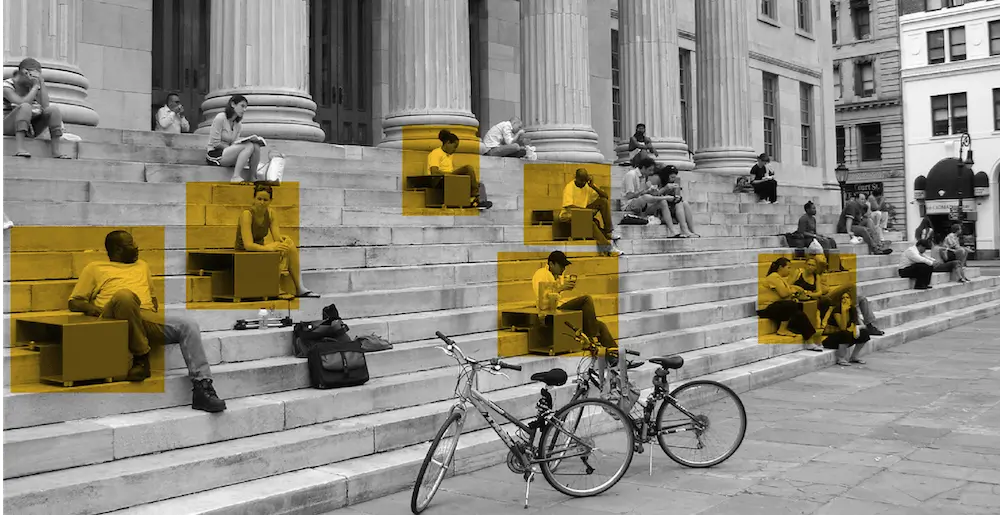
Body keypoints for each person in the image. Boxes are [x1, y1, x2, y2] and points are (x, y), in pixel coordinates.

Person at [68, 230, 227, 412]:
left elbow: (152, 299)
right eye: (131, 244)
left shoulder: (142, 265)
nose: (136, 247)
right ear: (117, 250)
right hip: (115, 317)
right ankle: (142, 358)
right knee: (125, 296)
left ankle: (203, 388)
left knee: (188, 325)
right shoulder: (94, 268)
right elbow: (74, 301)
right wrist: (94, 309)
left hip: (144, 316)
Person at [236, 183, 319, 299]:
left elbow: (277, 238)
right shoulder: (247, 214)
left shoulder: (271, 214)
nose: (261, 202)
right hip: (244, 253)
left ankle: (300, 287)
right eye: (259, 199)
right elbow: (248, 245)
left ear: (270, 201)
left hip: (260, 249)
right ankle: (275, 289)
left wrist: (284, 240)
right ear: (253, 198)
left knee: (288, 245)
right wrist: (268, 248)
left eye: (265, 200)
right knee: (276, 248)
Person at [531, 251, 615, 349]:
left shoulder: (557, 277)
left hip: (558, 312)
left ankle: (615, 353)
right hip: (548, 315)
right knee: (586, 299)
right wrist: (560, 288)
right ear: (551, 264)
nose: (563, 269)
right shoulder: (541, 274)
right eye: (561, 266)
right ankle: (591, 337)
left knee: (600, 325)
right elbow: (543, 297)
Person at [792, 257, 885, 336]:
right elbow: (789, 286)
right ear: (804, 264)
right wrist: (801, 290)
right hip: (820, 300)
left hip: (823, 297)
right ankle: (854, 316)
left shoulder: (816, 276)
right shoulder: (798, 272)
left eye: (812, 265)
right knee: (851, 285)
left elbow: (819, 292)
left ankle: (869, 325)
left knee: (862, 298)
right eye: (808, 264)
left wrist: (810, 293)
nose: (810, 267)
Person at [1, 57, 71, 159]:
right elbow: (21, 103)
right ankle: (20, 148)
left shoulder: (32, 85)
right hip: (6, 125)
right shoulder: (6, 85)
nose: (36, 80)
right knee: (25, 107)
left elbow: (45, 105)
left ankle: (56, 151)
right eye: (35, 75)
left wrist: (41, 84)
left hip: (30, 126)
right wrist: (34, 87)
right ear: (25, 73)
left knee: (53, 110)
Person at [757, 257, 817, 345]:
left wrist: (793, 291)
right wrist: (794, 290)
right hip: (765, 308)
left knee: (799, 313)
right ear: (781, 267)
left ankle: (810, 341)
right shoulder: (773, 277)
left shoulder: (780, 278)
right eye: (788, 267)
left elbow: (786, 294)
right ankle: (782, 329)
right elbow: (784, 294)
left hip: (777, 307)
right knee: (791, 304)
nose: (790, 270)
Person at [562, 168, 622, 256]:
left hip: (583, 212)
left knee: (603, 202)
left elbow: (605, 196)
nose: (583, 183)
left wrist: (593, 186)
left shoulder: (587, 186)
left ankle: (609, 231)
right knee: (589, 222)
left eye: (584, 181)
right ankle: (609, 249)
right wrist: (586, 212)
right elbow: (569, 206)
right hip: (568, 216)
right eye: (581, 181)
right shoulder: (569, 187)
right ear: (576, 178)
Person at [428, 130, 493, 209]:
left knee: (479, 184)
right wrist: (450, 174)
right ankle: (475, 195)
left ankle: (479, 202)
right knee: (468, 168)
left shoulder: (449, 155)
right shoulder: (436, 153)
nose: (455, 150)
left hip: (450, 178)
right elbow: (434, 172)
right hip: (440, 180)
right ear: (448, 143)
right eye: (454, 146)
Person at [205, 94, 262, 184]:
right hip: (215, 154)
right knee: (249, 146)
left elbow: (235, 142)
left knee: (255, 146)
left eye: (246, 107)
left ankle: (252, 177)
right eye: (242, 106)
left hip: (228, 152)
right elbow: (215, 143)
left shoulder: (238, 125)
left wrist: (235, 146)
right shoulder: (220, 118)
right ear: (233, 104)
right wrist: (232, 148)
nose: (244, 110)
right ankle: (235, 176)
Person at [621, 157, 678, 236]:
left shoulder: (644, 177)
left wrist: (650, 191)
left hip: (642, 206)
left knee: (663, 202)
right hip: (628, 204)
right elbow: (629, 195)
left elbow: (643, 193)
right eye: (650, 170)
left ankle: (672, 231)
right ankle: (666, 197)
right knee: (646, 197)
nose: (651, 172)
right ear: (643, 168)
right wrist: (644, 189)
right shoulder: (631, 175)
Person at [819, 292, 871, 366]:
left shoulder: (852, 309)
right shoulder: (837, 310)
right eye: (843, 298)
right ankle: (841, 358)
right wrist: (844, 311)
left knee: (864, 333)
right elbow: (843, 327)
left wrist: (857, 327)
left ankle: (854, 356)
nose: (845, 300)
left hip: (845, 338)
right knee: (845, 333)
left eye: (847, 297)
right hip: (830, 339)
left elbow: (863, 325)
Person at [657, 165, 700, 238]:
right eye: (671, 177)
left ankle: (691, 230)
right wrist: (665, 189)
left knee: (684, 203)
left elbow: (677, 197)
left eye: (674, 177)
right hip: (662, 208)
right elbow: (655, 196)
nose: (673, 179)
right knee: (678, 203)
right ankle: (683, 229)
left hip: (673, 207)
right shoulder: (659, 181)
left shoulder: (676, 181)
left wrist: (676, 193)